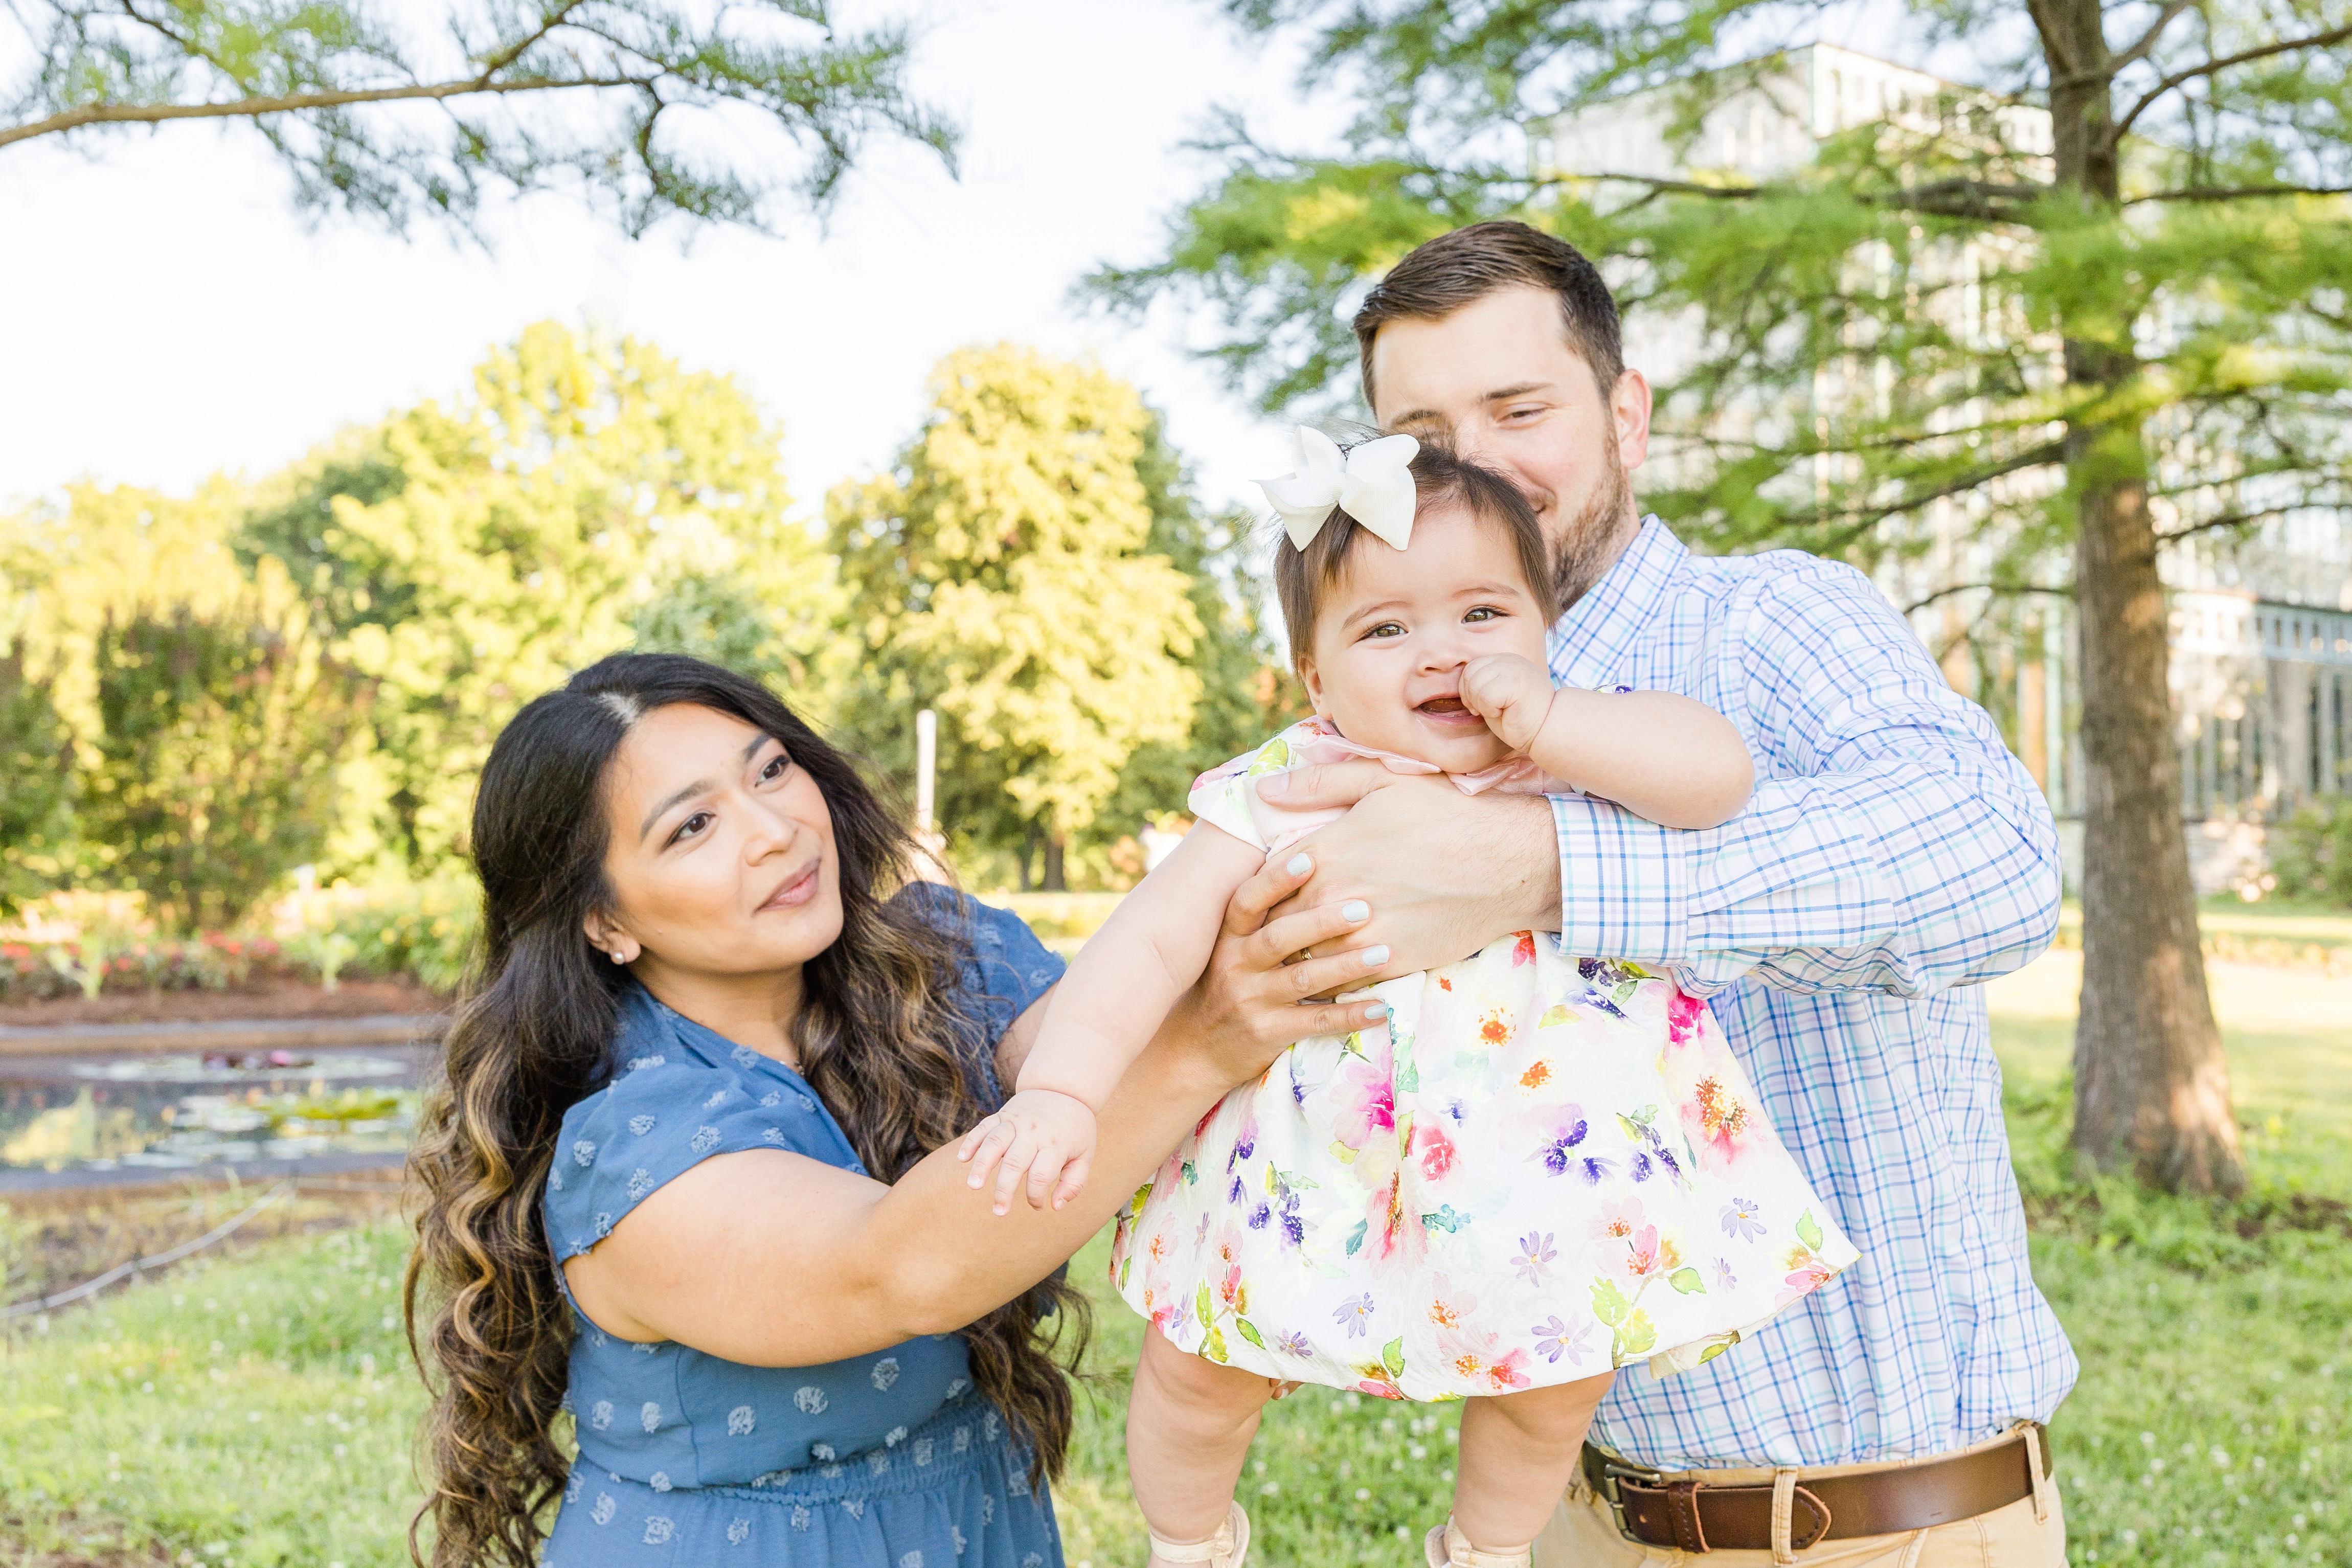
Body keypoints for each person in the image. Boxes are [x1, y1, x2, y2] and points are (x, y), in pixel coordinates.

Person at [1229, 222, 2074, 1565]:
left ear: (1624, 412)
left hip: (1880, 1524)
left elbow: (1996, 860)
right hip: (1571, 1514)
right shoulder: (1383, 740)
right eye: (1427, 433)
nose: (1481, 464)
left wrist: (1548, 869)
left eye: (1522, 408)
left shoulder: (1767, 622)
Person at [959, 435, 1861, 1568]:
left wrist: (1551, 723)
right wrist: (1059, 1091)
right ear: (1313, 677)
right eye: (1384, 630)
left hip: (1547, 1166)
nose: (1442, 654)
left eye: (1483, 614)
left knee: (1556, 1378)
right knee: (1199, 1366)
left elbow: (1717, 774)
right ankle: (1188, 1541)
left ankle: (1484, 1550)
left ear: (1544, 630)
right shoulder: (1283, 789)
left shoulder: (1574, 754)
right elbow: (1142, 947)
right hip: (1308, 1161)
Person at [400, 652, 1395, 1567]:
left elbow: (1107, 1038)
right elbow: (901, 1267)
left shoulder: (937, 958)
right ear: (606, 919)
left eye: (770, 771)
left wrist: (1267, 824)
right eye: (692, 825)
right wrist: (1207, 1040)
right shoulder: (629, 1136)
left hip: (977, 1523)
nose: (773, 829)